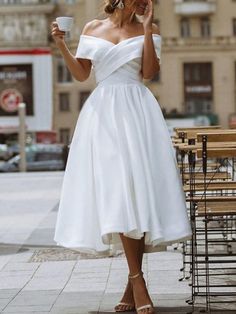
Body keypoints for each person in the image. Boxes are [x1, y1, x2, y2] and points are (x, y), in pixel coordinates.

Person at [51, 0, 192, 313]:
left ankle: (132, 285)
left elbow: (149, 73)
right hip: (103, 114)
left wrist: (144, 28)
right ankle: (138, 280)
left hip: (138, 112)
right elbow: (81, 74)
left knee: (136, 195)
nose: (144, 1)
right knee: (118, 191)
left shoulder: (149, 29)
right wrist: (62, 44)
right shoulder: (91, 28)